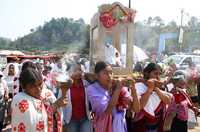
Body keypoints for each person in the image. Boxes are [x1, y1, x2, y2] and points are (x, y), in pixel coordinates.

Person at [87, 61, 140, 132]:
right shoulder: (92, 89)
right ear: (97, 76)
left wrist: (133, 89)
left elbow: (136, 109)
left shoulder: (118, 86)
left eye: (111, 73)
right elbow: (107, 111)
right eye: (105, 73)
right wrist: (118, 89)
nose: (109, 76)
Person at [11, 67, 68, 132]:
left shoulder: (47, 93)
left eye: (40, 84)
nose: (38, 89)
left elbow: (57, 115)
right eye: (32, 86)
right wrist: (56, 105)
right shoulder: (19, 100)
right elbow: (33, 122)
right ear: (24, 87)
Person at [132, 63, 172, 132]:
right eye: (155, 73)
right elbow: (139, 107)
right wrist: (150, 89)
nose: (158, 77)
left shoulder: (159, 87)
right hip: (142, 125)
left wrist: (156, 89)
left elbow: (168, 101)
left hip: (157, 125)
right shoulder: (139, 86)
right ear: (147, 73)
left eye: (159, 74)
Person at [62, 63, 92, 132]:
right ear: (69, 72)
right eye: (75, 70)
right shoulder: (65, 85)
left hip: (85, 119)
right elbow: (62, 105)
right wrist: (63, 121)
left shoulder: (86, 84)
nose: (78, 72)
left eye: (80, 70)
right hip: (71, 120)